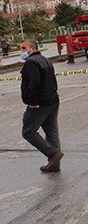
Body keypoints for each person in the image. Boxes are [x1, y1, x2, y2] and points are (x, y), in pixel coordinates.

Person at [19, 39, 64, 173]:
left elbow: (34, 83)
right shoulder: (45, 60)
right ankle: (54, 165)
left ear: (32, 48)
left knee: (28, 131)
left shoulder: (31, 63)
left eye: (23, 48)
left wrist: (32, 102)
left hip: (40, 103)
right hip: (52, 100)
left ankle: (52, 154)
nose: (21, 51)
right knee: (51, 132)